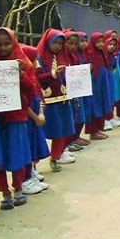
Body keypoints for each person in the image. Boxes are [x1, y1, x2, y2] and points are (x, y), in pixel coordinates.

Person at [0, 27, 34, 209]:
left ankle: (18, 188)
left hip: (16, 117)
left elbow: (31, 89)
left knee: (17, 153)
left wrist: (21, 74)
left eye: (7, 43)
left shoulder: (22, 62)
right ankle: (5, 193)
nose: (2, 48)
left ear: (14, 43)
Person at [35, 28, 76, 172]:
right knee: (39, 132)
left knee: (62, 130)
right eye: (55, 43)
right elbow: (36, 78)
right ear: (48, 42)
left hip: (63, 99)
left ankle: (55, 157)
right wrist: (52, 74)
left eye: (60, 43)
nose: (58, 46)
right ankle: (33, 166)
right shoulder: (39, 58)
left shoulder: (63, 57)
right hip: (46, 101)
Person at [19, 44, 49, 193]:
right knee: (27, 148)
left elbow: (38, 96)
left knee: (34, 146)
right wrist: (36, 117)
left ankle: (31, 173)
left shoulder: (32, 78)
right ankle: (25, 180)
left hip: (35, 119)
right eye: (32, 59)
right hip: (28, 119)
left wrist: (41, 113)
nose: (36, 63)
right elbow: (24, 103)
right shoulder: (22, 80)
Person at [85, 32, 113, 140]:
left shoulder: (102, 53)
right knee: (94, 108)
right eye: (98, 42)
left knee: (102, 105)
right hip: (94, 86)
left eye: (102, 42)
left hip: (102, 86)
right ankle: (93, 131)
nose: (101, 44)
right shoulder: (90, 53)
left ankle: (98, 129)